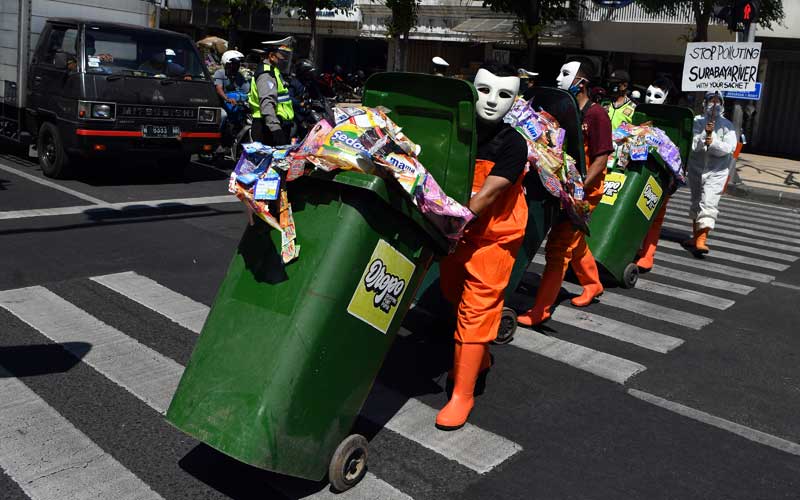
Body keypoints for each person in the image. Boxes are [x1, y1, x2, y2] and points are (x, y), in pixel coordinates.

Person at [437, 62, 528, 430]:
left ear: (515, 100)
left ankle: (463, 394)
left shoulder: (513, 144)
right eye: (485, 90)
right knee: (451, 294)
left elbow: (489, 192)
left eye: (504, 94)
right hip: (455, 235)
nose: (492, 101)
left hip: (494, 238)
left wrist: (451, 221)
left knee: (475, 313)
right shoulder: (456, 132)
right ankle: (481, 355)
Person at [518, 58, 613, 326]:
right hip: (562, 187)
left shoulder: (597, 115)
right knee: (573, 239)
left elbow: (601, 158)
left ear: (581, 83)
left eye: (565, 74)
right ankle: (593, 283)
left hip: (584, 193)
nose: (559, 79)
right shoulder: (564, 108)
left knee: (559, 247)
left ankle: (542, 309)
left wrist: (580, 188)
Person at [682, 91, 737, 255]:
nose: (714, 104)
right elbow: (691, 144)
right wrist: (703, 136)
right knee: (696, 201)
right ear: (704, 103)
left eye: (717, 101)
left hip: (717, 171)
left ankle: (702, 239)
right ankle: (695, 235)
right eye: (711, 101)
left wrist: (713, 142)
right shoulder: (696, 122)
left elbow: (729, 148)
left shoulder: (728, 126)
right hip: (696, 168)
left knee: (709, 202)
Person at [635, 76, 675, 270]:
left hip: (662, 176)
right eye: (648, 94)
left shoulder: (675, 120)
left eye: (657, 95)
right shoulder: (639, 113)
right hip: (637, 171)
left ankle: (648, 253)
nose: (651, 98)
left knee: (655, 215)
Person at [248, 38, 295, 146]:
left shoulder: (274, 71)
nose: (284, 59)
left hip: (274, 125)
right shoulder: (266, 75)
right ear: (272, 56)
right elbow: (267, 102)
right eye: (282, 55)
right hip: (268, 128)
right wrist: (276, 130)